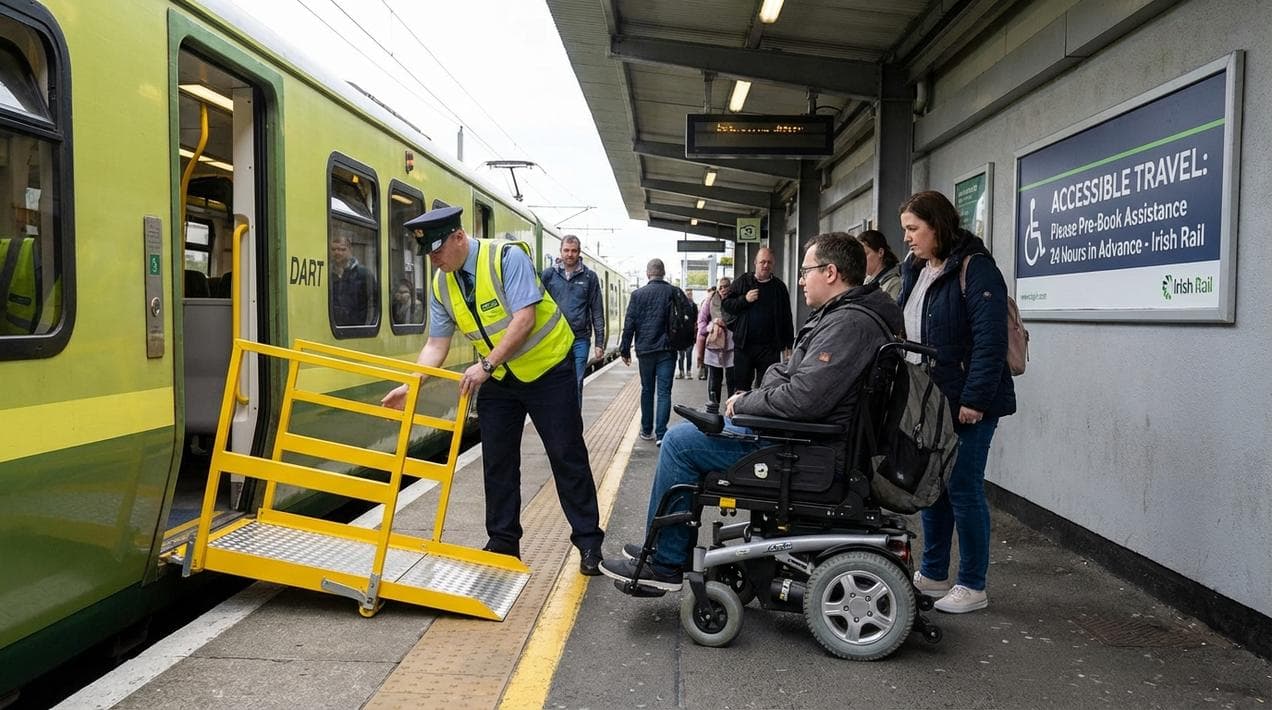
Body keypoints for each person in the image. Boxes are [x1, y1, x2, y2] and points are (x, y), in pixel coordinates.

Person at [600, 233, 903, 589]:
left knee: (680, 444)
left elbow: (804, 398)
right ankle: (666, 547)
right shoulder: (848, 316)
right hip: (808, 440)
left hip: (807, 451)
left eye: (807, 271)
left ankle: (666, 563)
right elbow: (792, 378)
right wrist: (759, 394)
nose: (802, 279)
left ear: (831, 272)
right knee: (694, 430)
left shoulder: (848, 324)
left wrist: (745, 403)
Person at [380, 205, 605, 576]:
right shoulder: (442, 285)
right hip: (501, 379)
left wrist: (486, 365)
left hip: (549, 371)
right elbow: (436, 344)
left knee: (567, 455)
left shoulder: (506, 257)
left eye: (438, 251)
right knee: (497, 461)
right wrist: (411, 384)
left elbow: (525, 318)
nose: (433, 260)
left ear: (458, 236)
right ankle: (503, 543)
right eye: (428, 255)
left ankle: (588, 542)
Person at [897, 190, 1016, 614]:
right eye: (905, 230)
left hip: (967, 400)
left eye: (913, 229)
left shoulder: (975, 268)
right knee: (933, 487)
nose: (907, 238)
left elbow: (990, 341)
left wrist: (975, 400)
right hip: (930, 401)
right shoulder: (916, 269)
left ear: (938, 226)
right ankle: (933, 573)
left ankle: (972, 584)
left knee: (963, 488)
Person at [619, 259, 679, 444]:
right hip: (667, 350)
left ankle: (646, 430)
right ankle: (661, 434)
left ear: (648, 274)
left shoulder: (637, 295)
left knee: (647, 390)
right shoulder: (673, 292)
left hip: (645, 350)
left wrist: (625, 349)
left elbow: (629, 323)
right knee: (664, 392)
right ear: (664, 273)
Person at [540, 235, 605, 404]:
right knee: (555, 384)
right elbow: (538, 307)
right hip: (555, 339)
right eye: (566, 250)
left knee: (576, 383)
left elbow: (597, 310)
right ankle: (558, 423)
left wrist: (599, 343)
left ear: (579, 252)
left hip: (580, 339)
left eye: (573, 251)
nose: (570, 254)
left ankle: (574, 427)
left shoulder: (590, 277)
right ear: (560, 252)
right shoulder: (548, 275)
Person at [722, 247, 794, 391]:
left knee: (766, 388)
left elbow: (787, 316)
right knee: (741, 388)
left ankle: (759, 413)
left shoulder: (779, 287)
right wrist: (745, 299)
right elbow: (727, 305)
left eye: (769, 262)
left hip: (769, 348)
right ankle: (737, 412)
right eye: (762, 262)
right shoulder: (743, 281)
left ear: (773, 264)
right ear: (755, 263)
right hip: (744, 346)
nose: (766, 265)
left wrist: (788, 344)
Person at [699, 278, 735, 407]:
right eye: (721, 287)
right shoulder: (709, 301)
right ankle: (713, 412)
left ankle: (731, 413)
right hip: (714, 348)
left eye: (726, 286)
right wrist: (712, 325)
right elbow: (701, 325)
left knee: (732, 382)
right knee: (714, 382)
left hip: (732, 347)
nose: (723, 290)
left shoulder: (736, 300)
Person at [330, 235, 376, 326]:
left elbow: (373, 303)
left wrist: (368, 327)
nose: (337, 253)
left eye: (342, 249)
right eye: (333, 249)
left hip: (357, 329)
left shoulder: (363, 274)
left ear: (350, 250)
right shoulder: (327, 273)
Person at [857, 229, 902, 300]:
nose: (860, 260)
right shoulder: (867, 280)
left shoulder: (894, 283)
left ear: (880, 252)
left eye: (865, 254)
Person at [693, 286, 713, 380]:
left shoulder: (707, 301)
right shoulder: (706, 302)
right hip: (705, 333)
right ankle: (702, 370)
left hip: (706, 333)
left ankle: (704, 371)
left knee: (704, 355)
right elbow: (701, 320)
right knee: (702, 355)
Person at [676, 288, 696, 379]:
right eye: (687, 294)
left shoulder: (694, 306)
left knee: (689, 354)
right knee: (681, 355)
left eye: (690, 294)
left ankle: (688, 371)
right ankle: (681, 371)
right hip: (680, 334)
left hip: (690, 333)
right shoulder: (679, 306)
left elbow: (696, 320)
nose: (689, 296)